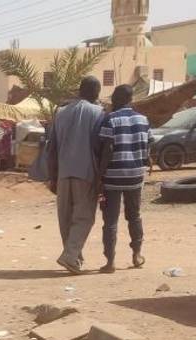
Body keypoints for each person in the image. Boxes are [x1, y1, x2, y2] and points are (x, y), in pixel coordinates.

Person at [46, 77, 105, 274]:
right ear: (95, 92)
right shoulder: (98, 112)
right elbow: (100, 146)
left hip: (63, 173)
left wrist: (52, 176)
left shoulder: (61, 113)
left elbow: (51, 147)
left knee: (65, 217)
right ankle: (70, 255)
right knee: (84, 217)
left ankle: (73, 256)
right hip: (85, 172)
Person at [95, 84, 149, 273]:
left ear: (117, 99)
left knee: (110, 220)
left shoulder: (111, 119)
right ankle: (137, 255)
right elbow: (147, 146)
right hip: (135, 175)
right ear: (131, 99)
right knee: (134, 216)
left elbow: (107, 149)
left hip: (113, 177)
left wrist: (99, 176)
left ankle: (110, 262)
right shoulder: (143, 119)